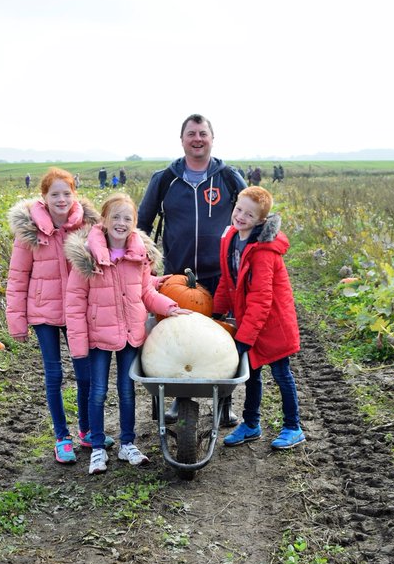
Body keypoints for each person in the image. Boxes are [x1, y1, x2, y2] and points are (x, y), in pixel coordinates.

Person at [64, 193, 192, 474]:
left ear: (134, 223)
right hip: (98, 335)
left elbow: (146, 292)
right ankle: (97, 447)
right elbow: (74, 303)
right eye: (116, 217)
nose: (121, 223)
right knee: (97, 392)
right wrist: (78, 344)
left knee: (126, 390)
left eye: (128, 218)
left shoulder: (139, 255)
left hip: (130, 335)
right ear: (104, 220)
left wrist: (169, 307)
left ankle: (127, 444)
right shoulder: (87, 257)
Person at [137, 113, 247, 425]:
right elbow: (143, 224)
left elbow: (253, 214)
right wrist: (142, 264)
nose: (197, 139)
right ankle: (178, 399)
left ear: (212, 138)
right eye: (191, 134)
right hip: (176, 278)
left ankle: (223, 404)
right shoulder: (165, 179)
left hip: (219, 277)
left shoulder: (228, 177)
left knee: (223, 342)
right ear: (182, 139)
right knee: (177, 342)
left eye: (202, 133)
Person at [7, 168, 105, 464]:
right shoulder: (30, 232)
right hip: (43, 312)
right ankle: (62, 436)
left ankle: (86, 430)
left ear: (74, 195)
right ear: (44, 198)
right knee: (54, 374)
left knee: (85, 374)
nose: (61, 199)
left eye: (66, 193)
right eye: (54, 194)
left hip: (77, 312)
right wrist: (16, 319)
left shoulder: (88, 227)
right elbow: (17, 276)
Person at [215, 186, 305, 451]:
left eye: (249, 214)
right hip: (250, 321)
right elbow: (228, 281)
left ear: (261, 220)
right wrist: (214, 314)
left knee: (281, 374)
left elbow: (262, 300)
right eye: (239, 209)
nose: (241, 217)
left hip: (273, 324)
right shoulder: (231, 238)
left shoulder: (264, 252)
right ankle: (251, 424)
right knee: (252, 375)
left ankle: (293, 427)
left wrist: (244, 337)